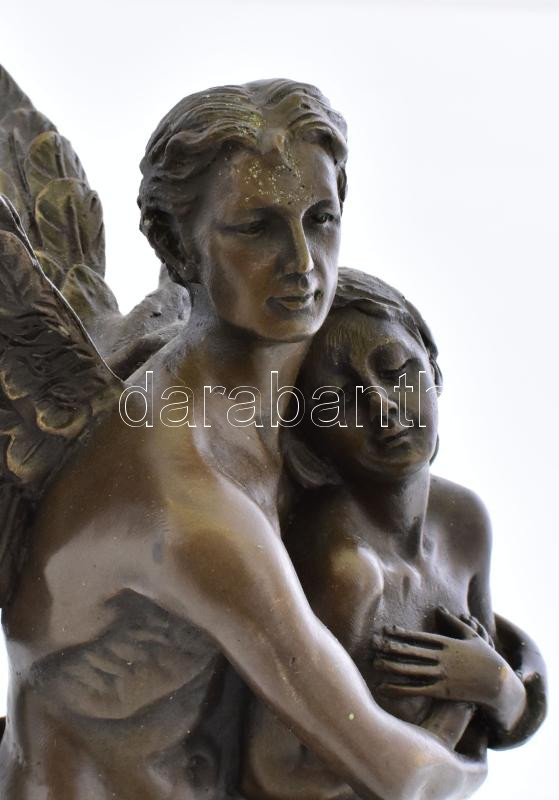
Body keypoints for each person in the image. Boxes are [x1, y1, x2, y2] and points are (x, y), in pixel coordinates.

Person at [0, 82, 486, 800]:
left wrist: (509, 675)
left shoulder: (305, 396)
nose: (303, 262)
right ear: (175, 245)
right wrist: (477, 720)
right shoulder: (184, 500)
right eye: (257, 228)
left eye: (320, 219)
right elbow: (401, 773)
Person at [241, 268, 547, 799]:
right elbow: (275, 775)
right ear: (305, 432)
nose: (382, 407)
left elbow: (498, 677)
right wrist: (452, 729)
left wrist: (500, 687)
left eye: (397, 369)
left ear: (432, 364)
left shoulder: (463, 522)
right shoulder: (347, 573)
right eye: (340, 399)